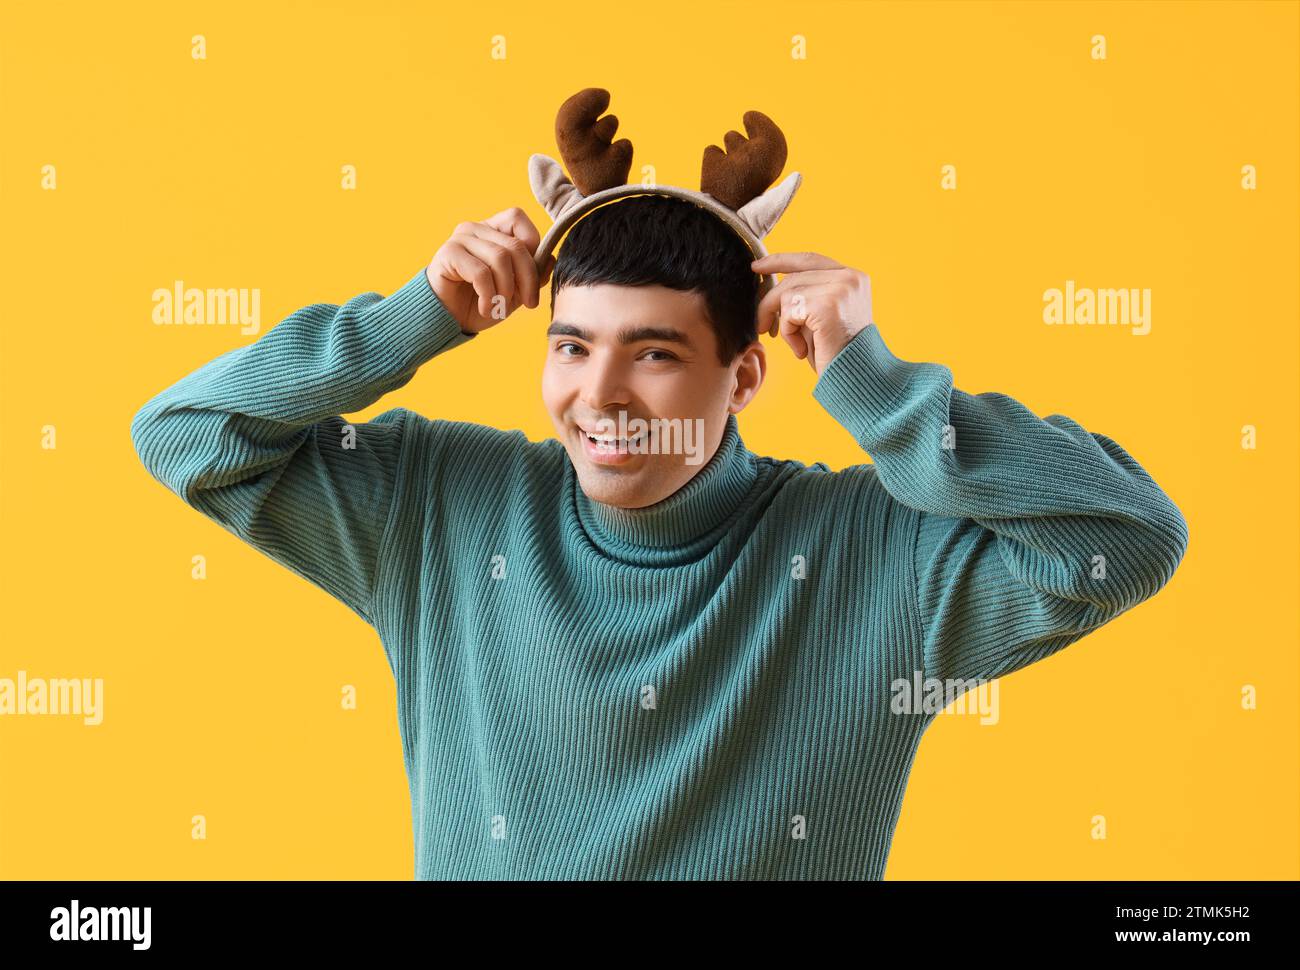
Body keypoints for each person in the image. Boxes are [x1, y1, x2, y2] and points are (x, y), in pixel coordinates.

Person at [130, 195, 1189, 880]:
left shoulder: (875, 553)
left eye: (652, 355)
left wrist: (875, 383)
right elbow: (185, 438)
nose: (599, 396)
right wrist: (417, 315)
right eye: (571, 346)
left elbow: (1125, 536)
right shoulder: (441, 504)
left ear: (741, 377)